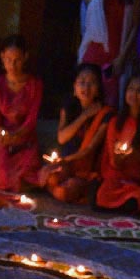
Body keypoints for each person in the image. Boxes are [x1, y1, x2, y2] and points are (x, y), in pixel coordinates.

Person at [41, 64, 110, 204]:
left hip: (85, 170)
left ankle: (76, 191)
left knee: (64, 191)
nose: (86, 87)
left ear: (98, 90)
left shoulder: (105, 114)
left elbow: (89, 149)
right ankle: (66, 188)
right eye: (82, 82)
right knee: (49, 176)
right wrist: (84, 116)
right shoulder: (69, 108)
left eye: (92, 83)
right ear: (75, 87)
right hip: (66, 166)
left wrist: (65, 160)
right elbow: (61, 138)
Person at [0, 35, 43, 193]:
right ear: (2, 57)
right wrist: (3, 133)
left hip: (25, 136)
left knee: (27, 175)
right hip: (2, 137)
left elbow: (31, 120)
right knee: (2, 177)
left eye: (17, 60)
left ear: (25, 57)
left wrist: (18, 134)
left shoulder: (34, 85)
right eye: (8, 59)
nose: (12, 65)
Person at [77, 0, 139, 104]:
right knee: (88, 100)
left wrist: (123, 57)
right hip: (93, 55)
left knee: (109, 105)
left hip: (116, 57)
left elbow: (136, 24)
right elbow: (93, 11)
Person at [94, 71, 140, 214]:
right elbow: (112, 161)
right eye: (130, 89)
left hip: (135, 183)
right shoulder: (116, 122)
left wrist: (134, 155)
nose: (134, 94)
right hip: (117, 178)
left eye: (139, 91)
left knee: (135, 199)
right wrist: (119, 157)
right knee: (101, 196)